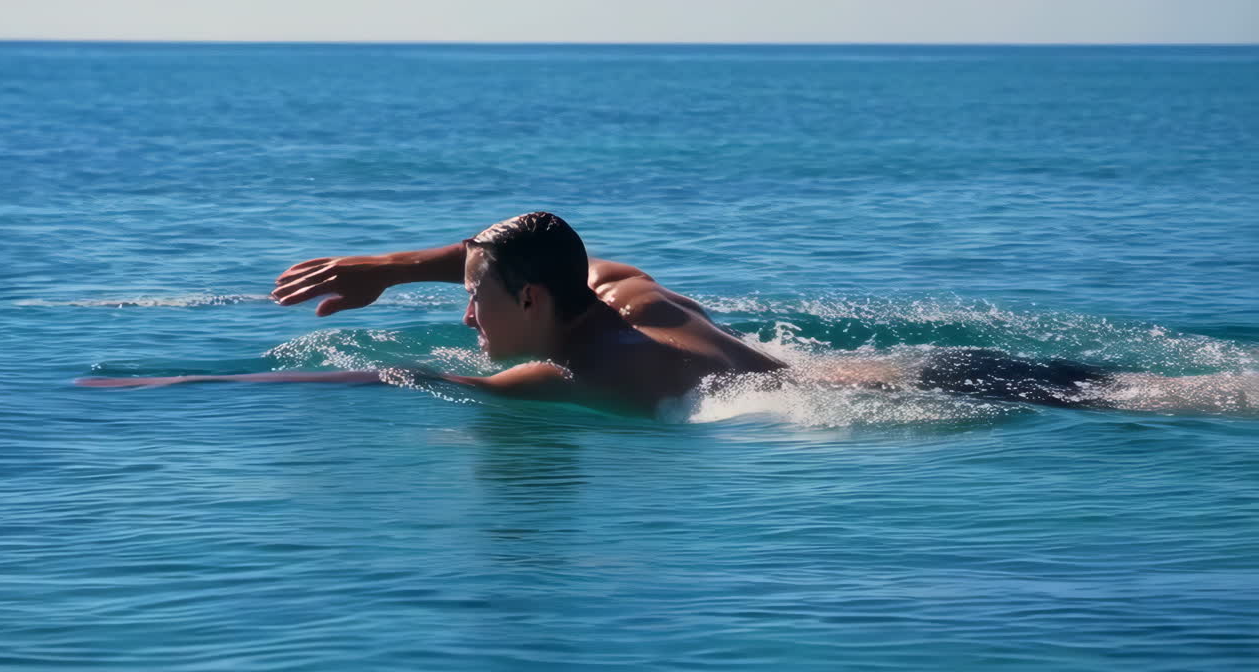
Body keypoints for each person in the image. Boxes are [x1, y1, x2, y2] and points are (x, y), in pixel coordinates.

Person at [79, 212, 1254, 416]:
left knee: (1199, 403)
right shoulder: (622, 294)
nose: (470, 319)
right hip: (928, 363)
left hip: (910, 397)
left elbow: (384, 384)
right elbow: (558, 248)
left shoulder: (574, 375)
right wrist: (396, 265)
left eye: (479, 304)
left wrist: (177, 386)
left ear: (532, 302)